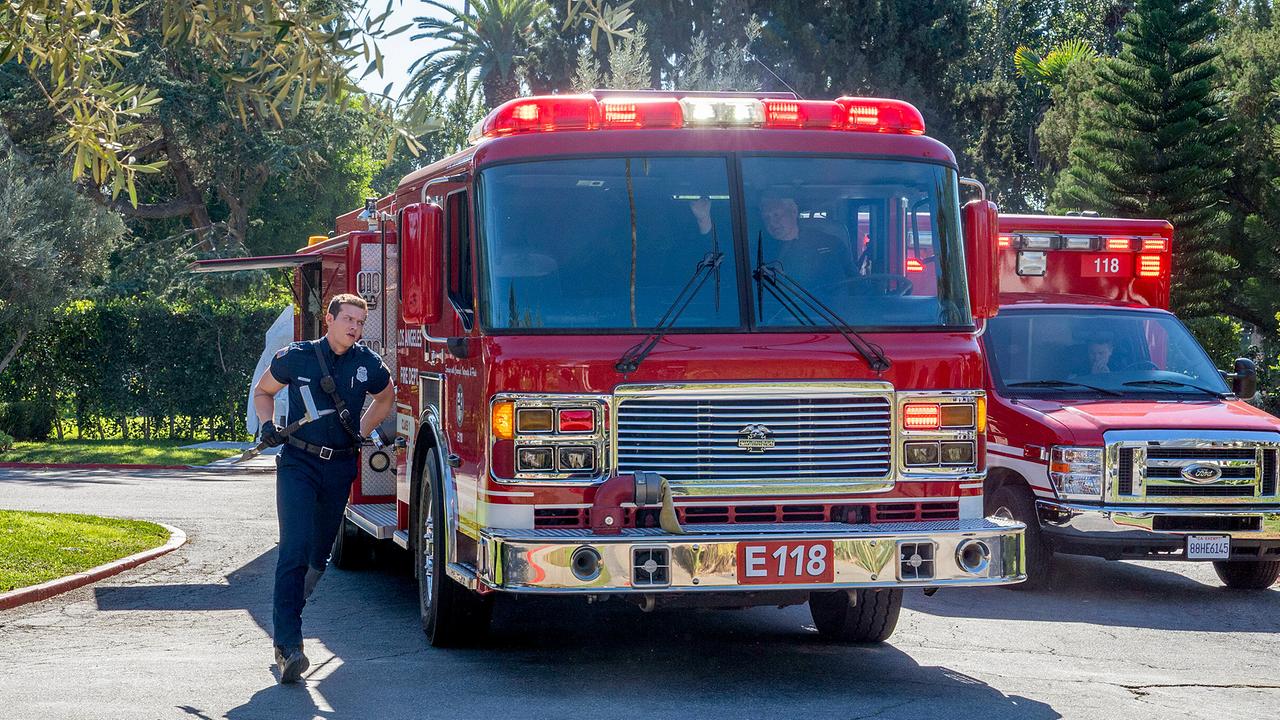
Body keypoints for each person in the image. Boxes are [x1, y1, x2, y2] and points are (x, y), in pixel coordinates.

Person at [252, 293, 394, 684]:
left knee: (318, 557)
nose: (355, 328)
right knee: (294, 548)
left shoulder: (368, 364)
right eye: (348, 319)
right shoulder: (296, 357)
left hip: (340, 466)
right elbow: (263, 392)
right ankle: (288, 646)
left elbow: (386, 398)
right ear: (328, 320)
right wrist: (267, 425)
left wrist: (360, 432)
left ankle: (288, 612)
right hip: (298, 464)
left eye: (360, 322)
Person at [691, 191, 856, 288]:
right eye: (767, 218)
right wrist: (704, 220)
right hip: (772, 321)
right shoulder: (758, 249)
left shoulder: (830, 243)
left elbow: (854, 285)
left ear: (793, 211)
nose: (772, 222)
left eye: (776, 215)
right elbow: (721, 263)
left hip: (827, 322)